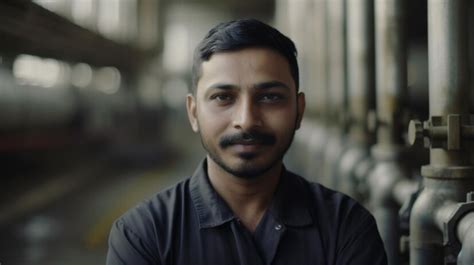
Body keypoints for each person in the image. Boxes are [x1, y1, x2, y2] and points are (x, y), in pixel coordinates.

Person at [106, 18, 387, 265]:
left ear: (299, 110)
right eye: (223, 97)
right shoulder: (143, 235)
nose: (247, 120)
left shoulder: (347, 227)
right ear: (193, 113)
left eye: (270, 97)